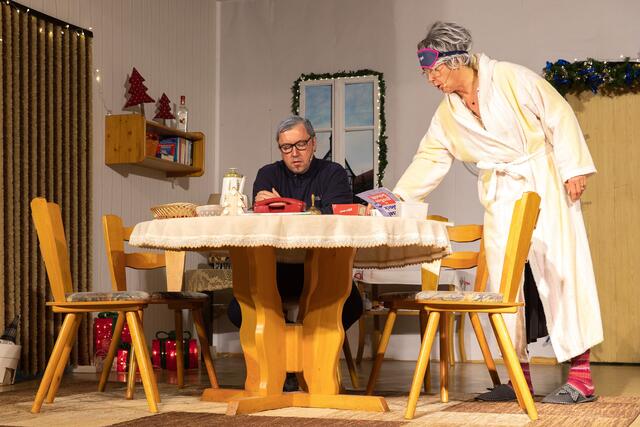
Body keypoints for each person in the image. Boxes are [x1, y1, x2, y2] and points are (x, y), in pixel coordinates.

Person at [393, 21, 603, 404]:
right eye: (426, 73)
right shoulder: (448, 114)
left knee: (562, 270)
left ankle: (581, 378)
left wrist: (573, 168)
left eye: (434, 70)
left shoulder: (510, 78)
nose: (431, 79)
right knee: (504, 284)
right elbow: (430, 158)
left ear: (456, 61)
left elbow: (558, 113)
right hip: (501, 195)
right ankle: (518, 377)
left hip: (543, 181)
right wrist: (396, 200)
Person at [227, 115, 363, 389]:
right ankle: (283, 366)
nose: (294, 153)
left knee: (352, 305)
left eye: (300, 144)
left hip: (323, 269)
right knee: (238, 308)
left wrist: (285, 205)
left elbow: (337, 216)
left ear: (313, 143)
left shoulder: (333, 173)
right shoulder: (268, 174)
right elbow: (261, 220)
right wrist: (310, 210)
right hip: (277, 269)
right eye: (286, 147)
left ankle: (312, 362)